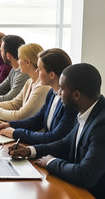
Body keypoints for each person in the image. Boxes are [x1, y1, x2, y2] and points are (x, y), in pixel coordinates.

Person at [9, 63, 105, 198]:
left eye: (62, 89)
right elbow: (65, 143)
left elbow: (86, 174)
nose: (58, 93)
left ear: (76, 95)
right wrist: (31, 150)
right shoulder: (87, 110)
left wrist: (50, 162)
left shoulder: (101, 124)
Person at [0, 48, 77, 144]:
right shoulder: (52, 93)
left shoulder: (69, 102)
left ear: (52, 75)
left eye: (39, 69)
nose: (36, 71)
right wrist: (9, 124)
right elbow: (37, 120)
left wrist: (16, 133)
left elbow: (53, 137)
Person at [0, 43, 51, 121]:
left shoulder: (42, 87)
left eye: (19, 59)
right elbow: (14, 104)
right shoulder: (30, 81)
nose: (17, 62)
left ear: (27, 62)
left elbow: (19, 116)